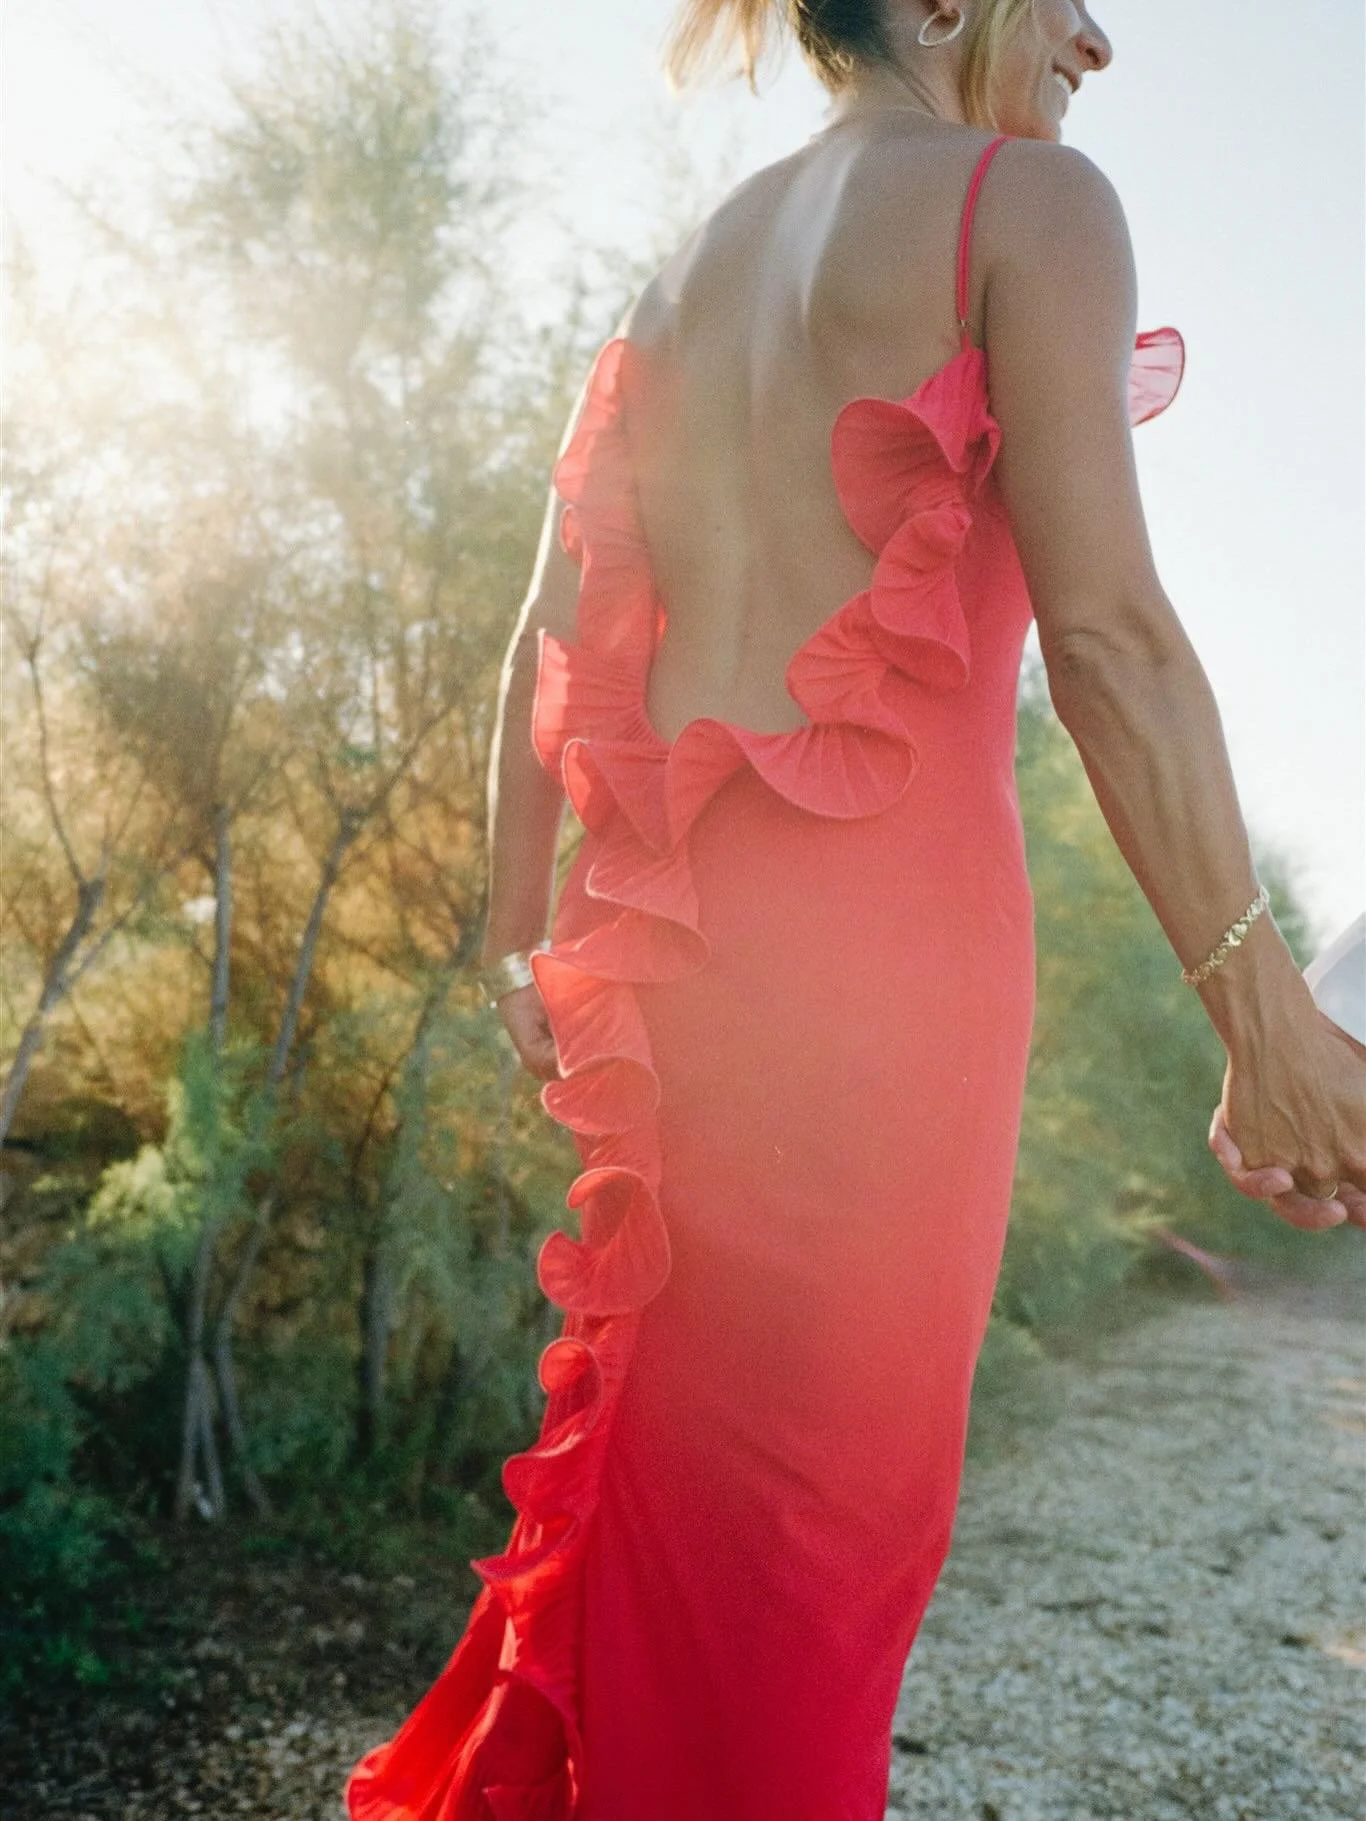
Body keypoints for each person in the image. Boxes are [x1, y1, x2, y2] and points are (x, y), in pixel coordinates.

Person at [348, 3, 1366, 1817]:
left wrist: (522, 943)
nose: (1097, 41)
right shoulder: (1024, 210)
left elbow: (545, 637)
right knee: (816, 1570)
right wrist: (1263, 1020)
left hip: (678, 993)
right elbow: (1114, 642)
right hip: (886, 1004)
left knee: (688, 1548)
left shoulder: (672, 284)